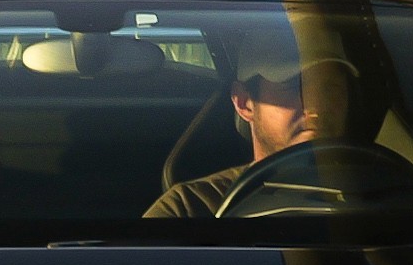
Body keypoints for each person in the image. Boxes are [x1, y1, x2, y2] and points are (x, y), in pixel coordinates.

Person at [145, 55, 363, 218]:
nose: (315, 108)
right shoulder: (189, 209)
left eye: (330, 88)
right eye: (293, 87)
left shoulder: (383, 193)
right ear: (244, 102)